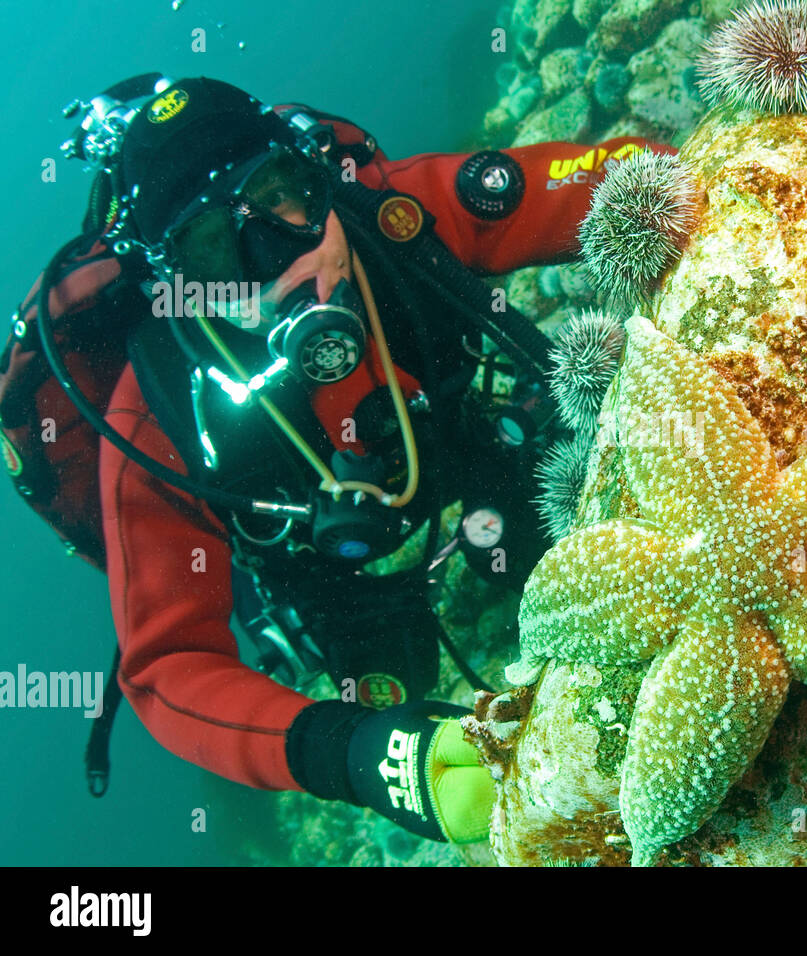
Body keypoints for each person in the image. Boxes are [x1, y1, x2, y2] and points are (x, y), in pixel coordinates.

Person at [7, 75, 668, 845]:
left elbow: (619, 180)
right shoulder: (155, 418)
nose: (277, 256)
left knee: (551, 547)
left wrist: (738, 176)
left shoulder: (393, 220)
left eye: (282, 194)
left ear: (313, 169)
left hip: (465, 452)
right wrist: (357, 756)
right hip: (320, 568)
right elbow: (166, 669)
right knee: (393, 687)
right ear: (175, 284)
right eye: (213, 247)